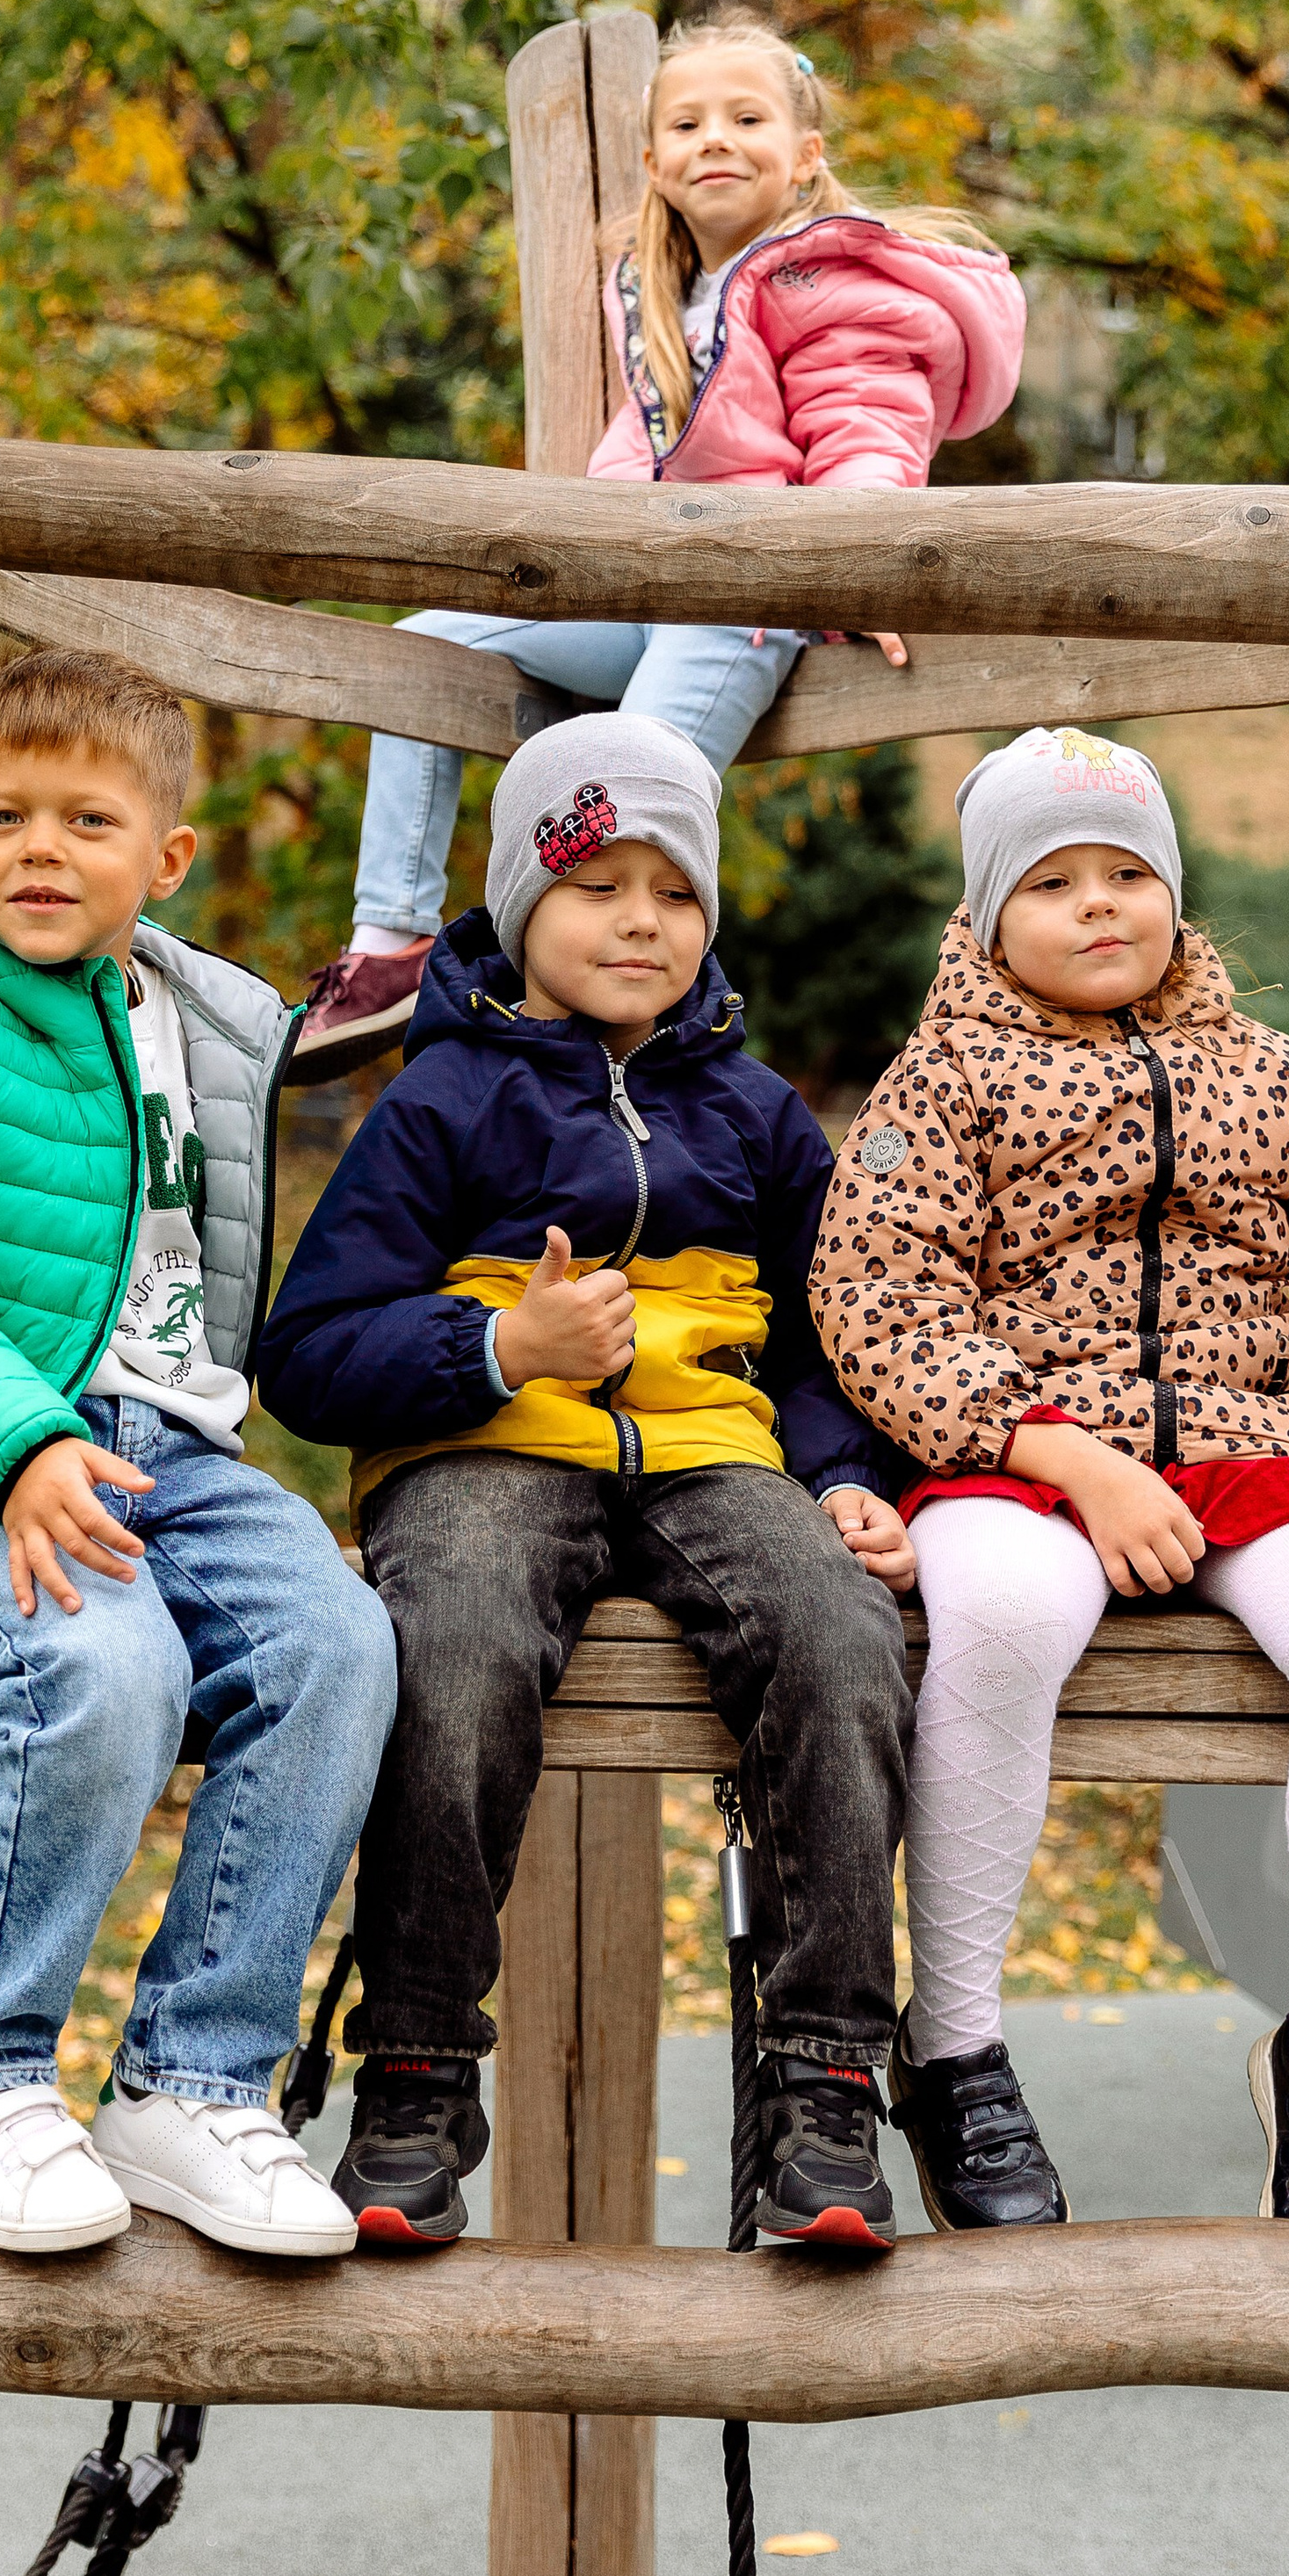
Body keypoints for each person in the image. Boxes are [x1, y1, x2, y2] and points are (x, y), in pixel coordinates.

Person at [808, 724, 1289, 2233]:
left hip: (1246, 1446)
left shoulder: (1276, 1080)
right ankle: (958, 2047)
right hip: (1020, 1451)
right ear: (981, 920)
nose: (1101, 904)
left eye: (1129, 874)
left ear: (1175, 894)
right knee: (1005, 1618)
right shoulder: (939, 1087)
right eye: (1054, 882)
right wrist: (1064, 1457)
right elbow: (880, 1310)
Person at [257, 713, 918, 2249]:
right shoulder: (442, 1101)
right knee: (458, 1648)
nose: (641, 920)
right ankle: (416, 2077)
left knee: (840, 1636)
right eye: (598, 885)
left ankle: (826, 2089)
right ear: (514, 910)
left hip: (707, 1450)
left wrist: (840, 1475)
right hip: (487, 1448)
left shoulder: (757, 1118)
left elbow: (834, 1342)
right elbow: (307, 1351)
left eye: (675, 893)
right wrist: (502, 1347)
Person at [0, 646, 398, 2260]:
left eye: (86, 820)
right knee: (111, 1665)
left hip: (182, 1453)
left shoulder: (208, 1017)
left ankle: (195, 2082)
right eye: (2, 814)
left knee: (341, 1646)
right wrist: (15, 1449)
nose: (36, 848)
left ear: (163, 861)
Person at [292, 6, 1026, 1075]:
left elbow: (865, 432)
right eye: (686, 125)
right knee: (425, 650)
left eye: (744, 118)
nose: (713, 140)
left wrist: (859, 568)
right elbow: (636, 460)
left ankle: (625, 1035)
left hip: (740, 606)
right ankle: (391, 945)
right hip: (631, 592)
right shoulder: (653, 288)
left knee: (625, 784)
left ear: (805, 153)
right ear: (652, 160)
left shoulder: (825, 281)